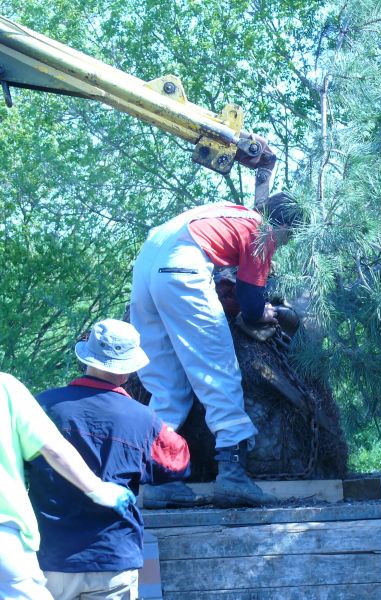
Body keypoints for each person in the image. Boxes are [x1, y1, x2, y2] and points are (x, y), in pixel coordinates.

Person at [130, 137, 302, 508]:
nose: (283, 245)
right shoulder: (263, 232)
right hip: (181, 267)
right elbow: (251, 303)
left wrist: (266, 173)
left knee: (166, 385)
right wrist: (261, 313)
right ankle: (233, 475)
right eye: (288, 239)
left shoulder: (237, 215)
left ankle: (158, 479)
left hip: (148, 261)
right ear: (285, 228)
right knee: (218, 371)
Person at [27, 319, 190, 600]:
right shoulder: (143, 419)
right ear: (127, 371)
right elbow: (178, 463)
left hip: (48, 559)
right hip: (111, 559)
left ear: (86, 358)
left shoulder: (41, 406)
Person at [0, 371, 134, 600]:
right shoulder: (5, 387)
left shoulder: (45, 400)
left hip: (53, 557)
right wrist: (98, 489)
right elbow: (54, 449)